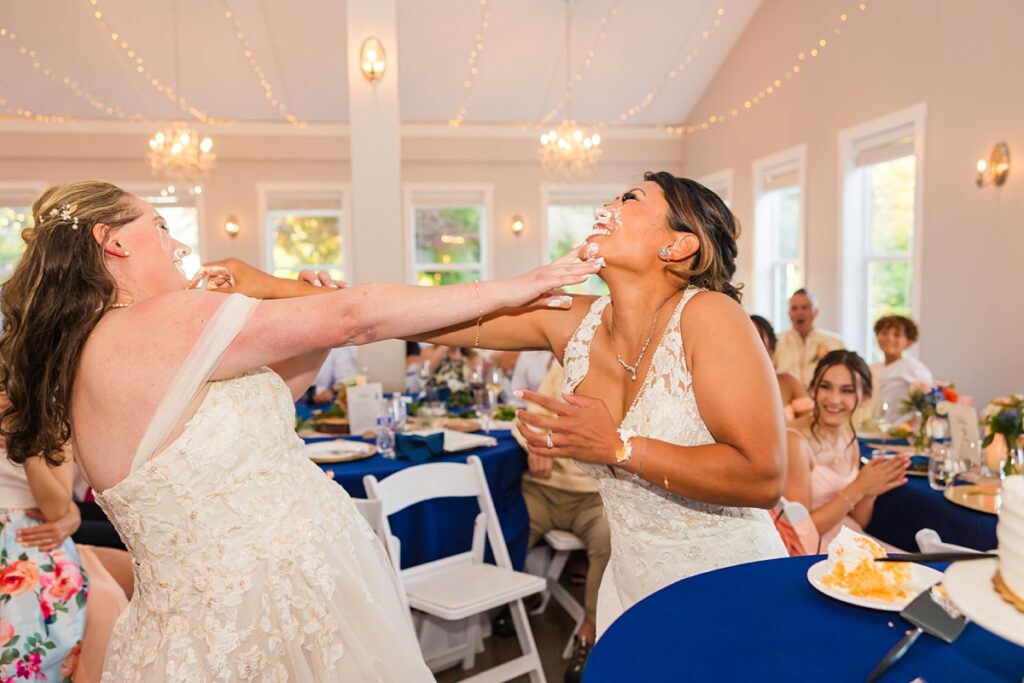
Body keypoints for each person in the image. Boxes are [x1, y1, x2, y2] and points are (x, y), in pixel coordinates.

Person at [0, 180, 600, 681]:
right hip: (275, 615)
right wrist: (518, 286)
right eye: (158, 226)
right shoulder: (163, 320)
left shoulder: (82, 350)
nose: (177, 241)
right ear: (113, 242)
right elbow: (358, 317)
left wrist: (308, 326)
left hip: (197, 628)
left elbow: (250, 419)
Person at [410, 172, 788, 635]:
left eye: (630, 198)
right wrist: (319, 296)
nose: (605, 208)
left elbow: (763, 475)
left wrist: (619, 448)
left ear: (678, 245)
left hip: (726, 586)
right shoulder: (571, 320)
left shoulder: (711, 314)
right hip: (630, 589)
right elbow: (425, 316)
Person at [1, 437, 129, 682]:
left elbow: (57, 509)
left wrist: (25, 432)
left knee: (106, 603)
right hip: (26, 546)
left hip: (38, 545)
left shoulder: (45, 415)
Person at [511, 361, 609, 681]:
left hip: (593, 496)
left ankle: (590, 632)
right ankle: (516, 597)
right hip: (545, 489)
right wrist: (534, 443)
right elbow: (528, 414)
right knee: (508, 525)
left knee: (608, 540)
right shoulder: (567, 363)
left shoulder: (624, 376)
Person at [784, 350, 909, 549]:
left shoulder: (848, 435)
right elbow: (798, 532)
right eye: (826, 387)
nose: (834, 399)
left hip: (847, 536)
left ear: (865, 398)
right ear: (813, 390)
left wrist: (870, 490)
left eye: (847, 390)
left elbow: (859, 520)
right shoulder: (795, 441)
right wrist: (858, 488)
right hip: (808, 550)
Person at [773, 289, 844, 387]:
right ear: (789, 313)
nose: (799, 313)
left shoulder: (835, 343)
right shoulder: (776, 342)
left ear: (816, 311)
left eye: (805, 307)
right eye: (794, 308)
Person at [869, 315, 933, 424]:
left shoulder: (913, 367)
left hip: (902, 429)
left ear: (909, 342)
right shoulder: (872, 368)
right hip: (877, 426)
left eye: (897, 334)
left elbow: (928, 400)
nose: (889, 338)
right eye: (884, 333)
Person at [750, 315, 813, 422]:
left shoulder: (788, 381)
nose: (750, 343)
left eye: (757, 336)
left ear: (770, 346)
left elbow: (812, 423)